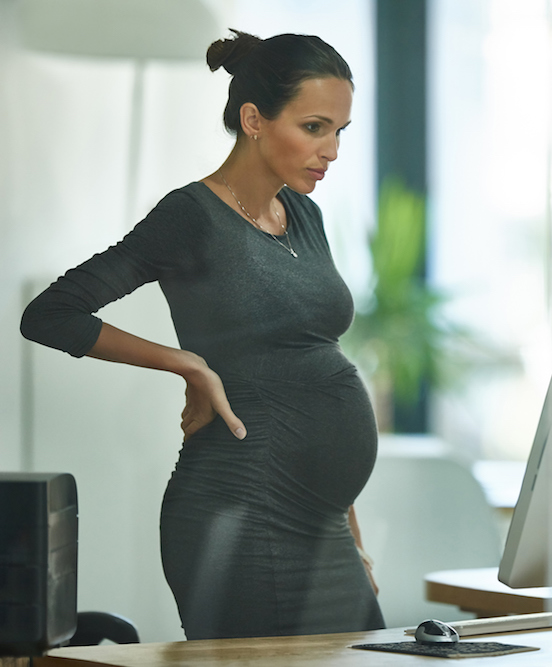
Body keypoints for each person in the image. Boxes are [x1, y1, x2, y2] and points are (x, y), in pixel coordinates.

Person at [20, 30, 385, 640]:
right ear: (254, 120)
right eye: (316, 127)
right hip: (242, 515)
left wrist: (351, 536)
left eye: (341, 131)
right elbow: (51, 314)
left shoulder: (305, 214)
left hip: (323, 527)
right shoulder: (190, 216)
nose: (334, 151)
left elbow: (308, 369)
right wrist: (188, 364)